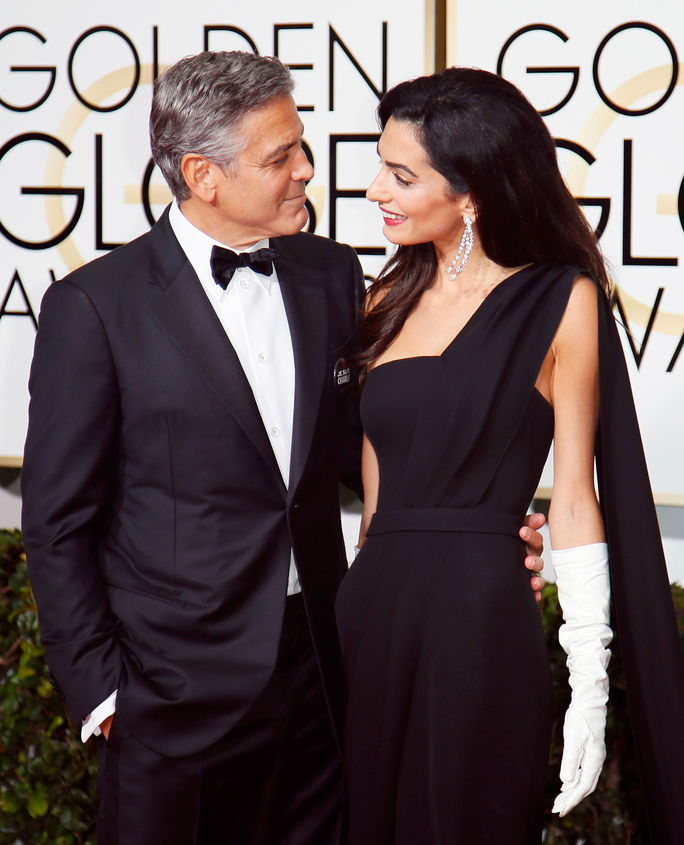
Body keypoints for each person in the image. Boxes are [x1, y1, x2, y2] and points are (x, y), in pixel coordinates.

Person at [20, 53, 547, 845]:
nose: (307, 169)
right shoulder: (94, 307)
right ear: (203, 175)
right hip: (172, 694)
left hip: (323, 677)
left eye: (301, 146)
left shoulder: (332, 275)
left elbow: (361, 455)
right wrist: (103, 694)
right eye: (280, 157)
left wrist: (480, 522)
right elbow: (57, 522)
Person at [335, 67, 684, 844]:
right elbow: (378, 490)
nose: (371, 190)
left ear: (471, 192)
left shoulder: (561, 299)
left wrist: (589, 680)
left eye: (399, 174)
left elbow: (574, 497)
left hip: (478, 618)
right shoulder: (381, 302)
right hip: (372, 616)